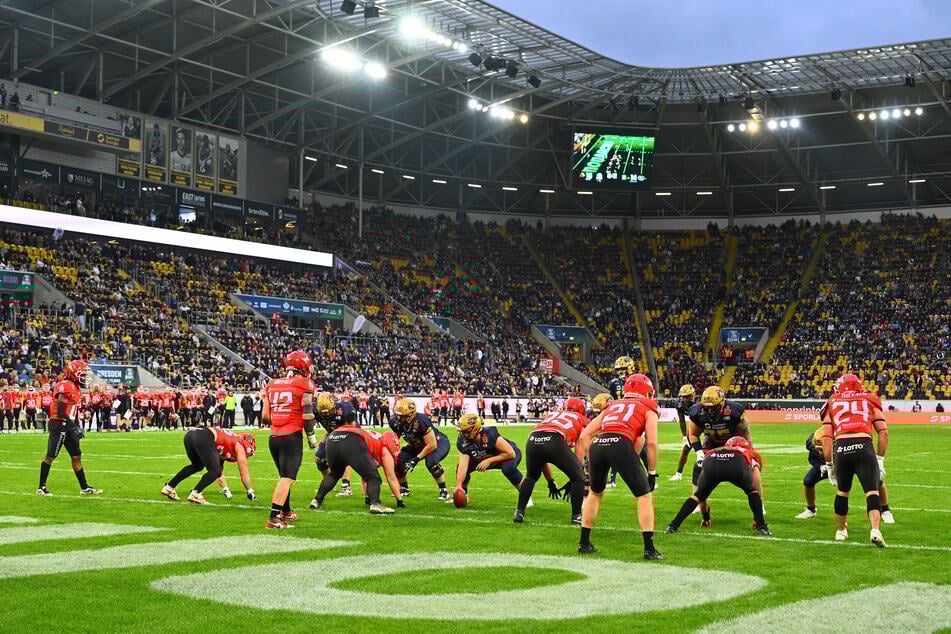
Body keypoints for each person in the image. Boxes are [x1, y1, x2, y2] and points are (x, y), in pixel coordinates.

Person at [575, 374, 662, 559]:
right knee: (644, 496)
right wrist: (652, 472)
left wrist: (589, 462)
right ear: (647, 391)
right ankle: (649, 549)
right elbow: (652, 443)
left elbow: (584, 436)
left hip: (599, 445)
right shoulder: (649, 407)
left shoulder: (611, 405)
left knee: (594, 494)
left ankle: (584, 543)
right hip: (621, 444)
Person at [821, 374, 888, 547]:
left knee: (842, 491)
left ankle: (841, 530)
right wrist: (880, 459)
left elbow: (826, 437)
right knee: (872, 491)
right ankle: (875, 529)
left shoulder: (832, 401)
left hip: (841, 447)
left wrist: (829, 465)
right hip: (864, 444)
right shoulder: (869, 399)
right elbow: (883, 432)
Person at [666, 436, 770, 535]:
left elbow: (701, 470)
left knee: (698, 496)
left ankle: (673, 526)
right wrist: (757, 517)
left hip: (711, 459)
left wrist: (706, 517)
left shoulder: (715, 450)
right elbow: (756, 481)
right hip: (737, 462)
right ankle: (762, 527)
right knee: (752, 491)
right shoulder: (749, 452)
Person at [262, 350, 317, 529]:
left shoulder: (272, 383)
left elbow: (265, 417)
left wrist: (280, 418)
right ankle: (273, 518)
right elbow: (307, 415)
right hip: (291, 436)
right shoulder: (305, 383)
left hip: (274, 436)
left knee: (283, 477)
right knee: (287, 478)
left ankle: (286, 512)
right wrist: (311, 438)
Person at [514, 398, 586, 525]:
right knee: (579, 478)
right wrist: (574, 477)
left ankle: (519, 512)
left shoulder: (553, 414)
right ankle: (576, 516)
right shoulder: (580, 418)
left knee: (531, 477)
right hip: (554, 439)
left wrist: (550, 481)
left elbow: (543, 457)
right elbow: (579, 452)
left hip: (533, 439)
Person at [687, 386, 751, 527]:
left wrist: (748, 449)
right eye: (707, 408)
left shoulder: (734, 411)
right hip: (712, 444)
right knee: (698, 468)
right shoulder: (696, 412)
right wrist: (699, 454)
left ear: (722, 403)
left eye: (713, 408)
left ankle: (758, 504)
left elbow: (745, 431)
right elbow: (693, 434)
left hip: (734, 444)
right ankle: (699, 502)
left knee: (752, 469)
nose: (710, 411)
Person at [36, 360, 102, 496]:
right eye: (82, 374)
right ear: (73, 373)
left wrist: (78, 421)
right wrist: (75, 427)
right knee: (51, 455)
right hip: (58, 424)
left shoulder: (75, 386)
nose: (84, 377)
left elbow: (71, 411)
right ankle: (41, 488)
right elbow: (61, 412)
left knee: (76, 456)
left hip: (68, 424)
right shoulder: (65, 385)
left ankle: (84, 488)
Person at [311, 424, 402, 514]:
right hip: (351, 439)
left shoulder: (374, 438)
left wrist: (367, 497)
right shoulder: (384, 446)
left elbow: (365, 472)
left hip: (332, 437)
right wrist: (399, 500)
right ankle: (375, 504)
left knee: (334, 474)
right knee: (373, 477)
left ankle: (317, 500)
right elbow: (391, 477)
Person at [160, 427, 256, 504]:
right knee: (214, 471)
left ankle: (169, 487)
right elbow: (243, 472)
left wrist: (225, 489)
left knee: (197, 466)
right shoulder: (239, 445)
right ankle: (196, 494)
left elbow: (219, 470)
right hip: (204, 436)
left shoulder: (229, 441)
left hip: (190, 435)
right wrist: (250, 491)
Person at [454, 414, 525, 503]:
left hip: (505, 454)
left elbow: (510, 453)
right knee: (460, 468)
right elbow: (463, 466)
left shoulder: (489, 434)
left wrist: (489, 461)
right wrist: (458, 486)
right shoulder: (462, 441)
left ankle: (526, 495)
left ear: (474, 429)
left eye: (465, 431)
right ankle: (464, 494)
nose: (463, 434)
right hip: (483, 456)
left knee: (508, 468)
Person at [389, 398, 451, 501]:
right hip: (416, 444)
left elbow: (432, 444)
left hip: (438, 442)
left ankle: (443, 490)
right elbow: (396, 439)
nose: (399, 418)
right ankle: (404, 488)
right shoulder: (395, 422)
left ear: (411, 414)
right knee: (398, 461)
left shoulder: (421, 421)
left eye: (402, 416)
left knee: (431, 462)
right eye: (398, 415)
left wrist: (416, 459)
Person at [310, 391, 359, 503]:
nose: (326, 415)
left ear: (334, 405)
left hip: (348, 432)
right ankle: (328, 484)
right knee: (319, 458)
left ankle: (346, 487)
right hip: (331, 433)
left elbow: (353, 426)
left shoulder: (344, 407)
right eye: (323, 413)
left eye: (329, 412)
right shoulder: (314, 409)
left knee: (343, 457)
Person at [605, 355, 637, 487]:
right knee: (616, 447)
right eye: (618, 369)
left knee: (641, 449)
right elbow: (611, 400)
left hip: (634, 416)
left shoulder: (638, 380)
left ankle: (650, 475)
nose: (620, 371)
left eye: (623, 368)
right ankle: (612, 479)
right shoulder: (614, 383)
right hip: (619, 417)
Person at [669, 384, 697, 481]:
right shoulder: (679, 404)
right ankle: (678, 474)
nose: (684, 399)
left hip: (706, 422)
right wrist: (685, 436)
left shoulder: (700, 402)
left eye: (686, 397)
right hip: (695, 424)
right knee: (686, 448)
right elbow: (682, 420)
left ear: (692, 396)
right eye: (683, 397)